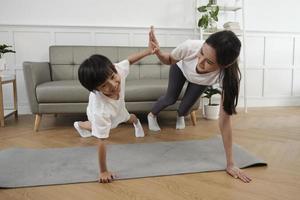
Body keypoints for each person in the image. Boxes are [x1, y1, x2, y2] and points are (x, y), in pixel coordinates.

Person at [147, 27, 252, 183]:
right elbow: (169, 60)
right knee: (170, 98)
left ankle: (180, 115)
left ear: (224, 66)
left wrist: (231, 163)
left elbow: (224, 121)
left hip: (201, 81)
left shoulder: (229, 77)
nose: (200, 62)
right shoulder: (190, 47)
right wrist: (158, 53)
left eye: (209, 62)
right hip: (181, 69)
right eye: (202, 52)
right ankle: (152, 115)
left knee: (185, 109)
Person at [74, 29, 156, 183]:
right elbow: (102, 142)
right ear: (96, 89)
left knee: (127, 117)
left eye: (112, 77)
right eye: (104, 85)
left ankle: (137, 122)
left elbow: (129, 61)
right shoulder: (100, 110)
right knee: (99, 129)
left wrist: (148, 51)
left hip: (118, 106)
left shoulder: (116, 71)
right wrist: (103, 171)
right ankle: (79, 125)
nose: (113, 85)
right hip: (101, 112)